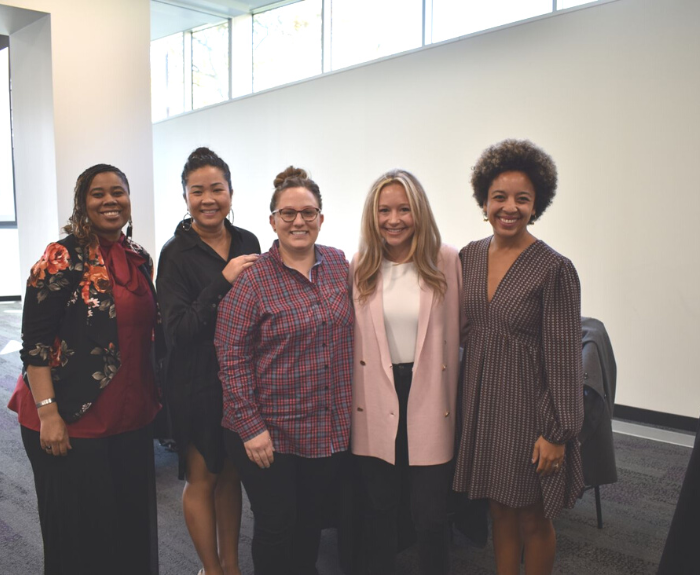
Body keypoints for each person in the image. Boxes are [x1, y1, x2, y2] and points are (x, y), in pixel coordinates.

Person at [7, 164, 161, 575]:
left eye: (118, 192)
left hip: (130, 415)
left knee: (129, 527)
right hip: (69, 415)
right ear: (82, 203)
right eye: (98, 193)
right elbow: (35, 345)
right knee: (80, 535)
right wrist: (48, 414)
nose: (110, 201)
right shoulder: (61, 257)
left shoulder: (138, 256)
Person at [453, 139, 584, 575]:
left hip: (531, 411)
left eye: (522, 199)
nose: (509, 208)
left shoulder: (553, 268)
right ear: (484, 201)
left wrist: (558, 432)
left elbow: (565, 358)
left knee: (532, 515)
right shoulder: (469, 257)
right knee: (498, 510)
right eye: (500, 198)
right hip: (484, 403)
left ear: (536, 204)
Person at [214, 166, 353, 575]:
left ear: (321, 218)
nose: (298, 221)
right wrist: (251, 427)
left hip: (324, 427)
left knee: (310, 521)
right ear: (272, 220)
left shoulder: (338, 263)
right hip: (266, 431)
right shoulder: (252, 279)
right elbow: (230, 355)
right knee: (277, 524)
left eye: (308, 213)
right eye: (287, 213)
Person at [350, 169, 461, 574]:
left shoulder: (446, 261)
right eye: (384, 210)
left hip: (427, 393)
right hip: (376, 396)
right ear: (372, 215)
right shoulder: (360, 265)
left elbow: (462, 328)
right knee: (379, 511)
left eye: (403, 209)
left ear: (419, 213)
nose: (393, 219)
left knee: (430, 515)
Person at [157, 147, 260, 575]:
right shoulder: (175, 253)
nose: (208, 199)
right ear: (185, 198)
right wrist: (222, 280)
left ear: (231, 193)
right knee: (203, 476)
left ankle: (232, 567)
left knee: (232, 473)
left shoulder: (248, 242)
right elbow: (178, 332)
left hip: (243, 377)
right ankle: (211, 570)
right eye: (197, 191)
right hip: (196, 379)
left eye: (217, 188)